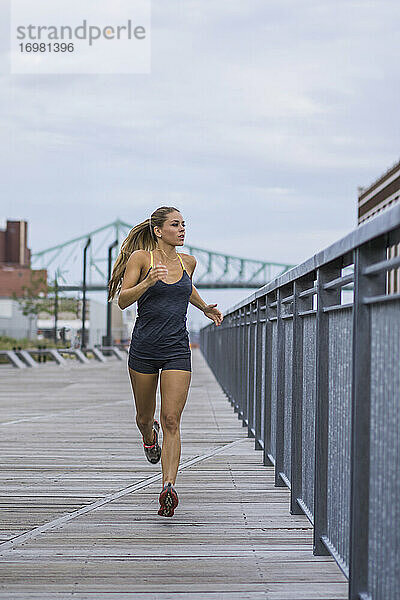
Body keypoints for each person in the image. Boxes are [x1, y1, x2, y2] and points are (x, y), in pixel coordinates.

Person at [108, 206, 223, 517]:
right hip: (144, 348)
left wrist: (204, 308)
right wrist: (147, 282)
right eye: (175, 225)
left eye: (184, 224)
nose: (182, 229)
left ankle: (168, 487)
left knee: (172, 419)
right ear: (159, 231)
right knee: (145, 418)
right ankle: (148, 438)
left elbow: (184, 289)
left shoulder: (189, 262)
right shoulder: (142, 259)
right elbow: (122, 299)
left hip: (176, 348)